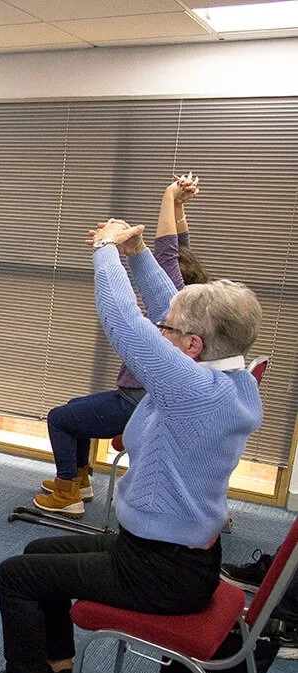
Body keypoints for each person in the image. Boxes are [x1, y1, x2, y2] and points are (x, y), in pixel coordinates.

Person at [0, 216, 263, 673]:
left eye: (166, 329)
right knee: (37, 555)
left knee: (15, 576)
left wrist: (104, 250)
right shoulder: (231, 379)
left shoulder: (192, 391)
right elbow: (177, 306)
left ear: (191, 347)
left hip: (160, 572)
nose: (159, 330)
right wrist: (139, 251)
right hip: (167, 556)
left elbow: (125, 324)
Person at [35, 174, 208, 517]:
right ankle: (79, 480)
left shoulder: (174, 301)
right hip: (150, 400)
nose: (162, 266)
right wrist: (177, 205)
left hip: (139, 404)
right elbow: (180, 247)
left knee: (59, 417)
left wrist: (167, 194)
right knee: (74, 408)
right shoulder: (195, 300)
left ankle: (66, 492)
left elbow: (168, 251)